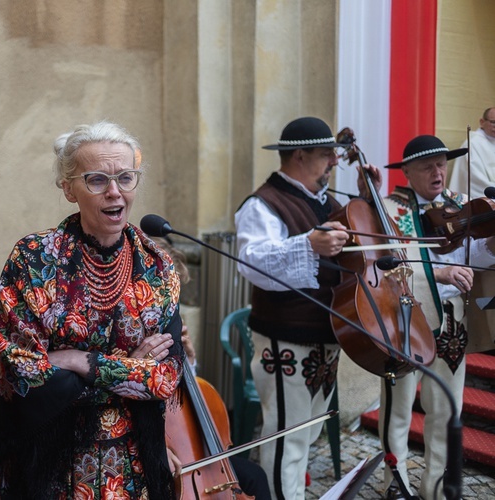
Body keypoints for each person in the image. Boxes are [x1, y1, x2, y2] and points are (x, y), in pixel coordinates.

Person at [0, 121, 184, 499]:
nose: (114, 192)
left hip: (135, 464)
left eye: (126, 177)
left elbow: (165, 379)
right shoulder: (34, 260)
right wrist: (129, 367)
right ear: (69, 189)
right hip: (49, 463)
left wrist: (76, 360)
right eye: (96, 180)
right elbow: (27, 378)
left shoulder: (157, 267)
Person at [234, 116, 380, 500]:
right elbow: (251, 260)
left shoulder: (328, 202)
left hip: (326, 335)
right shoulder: (263, 203)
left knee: (307, 432)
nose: (334, 160)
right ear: (299, 156)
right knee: (286, 436)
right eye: (326, 154)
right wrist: (307, 245)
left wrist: (367, 201)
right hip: (286, 339)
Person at [378, 134, 495, 500]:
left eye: (442, 163)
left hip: (453, 320)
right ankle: (395, 483)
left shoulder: (462, 204)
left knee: (446, 407)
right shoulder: (389, 208)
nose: (438, 171)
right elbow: (384, 267)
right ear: (407, 171)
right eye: (427, 165)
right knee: (397, 409)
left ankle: (438, 487)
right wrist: (440, 273)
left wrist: (491, 244)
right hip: (405, 317)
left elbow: (477, 257)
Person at [154, 237, 272, 500]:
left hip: (195, 454)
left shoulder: (171, 321)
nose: (171, 306)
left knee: (254, 476)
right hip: (155, 449)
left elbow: (189, 402)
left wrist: (190, 361)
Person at [448, 107, 495, 353]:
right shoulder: (473, 143)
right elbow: (478, 182)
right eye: (492, 122)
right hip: (483, 217)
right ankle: (487, 335)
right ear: (482, 121)